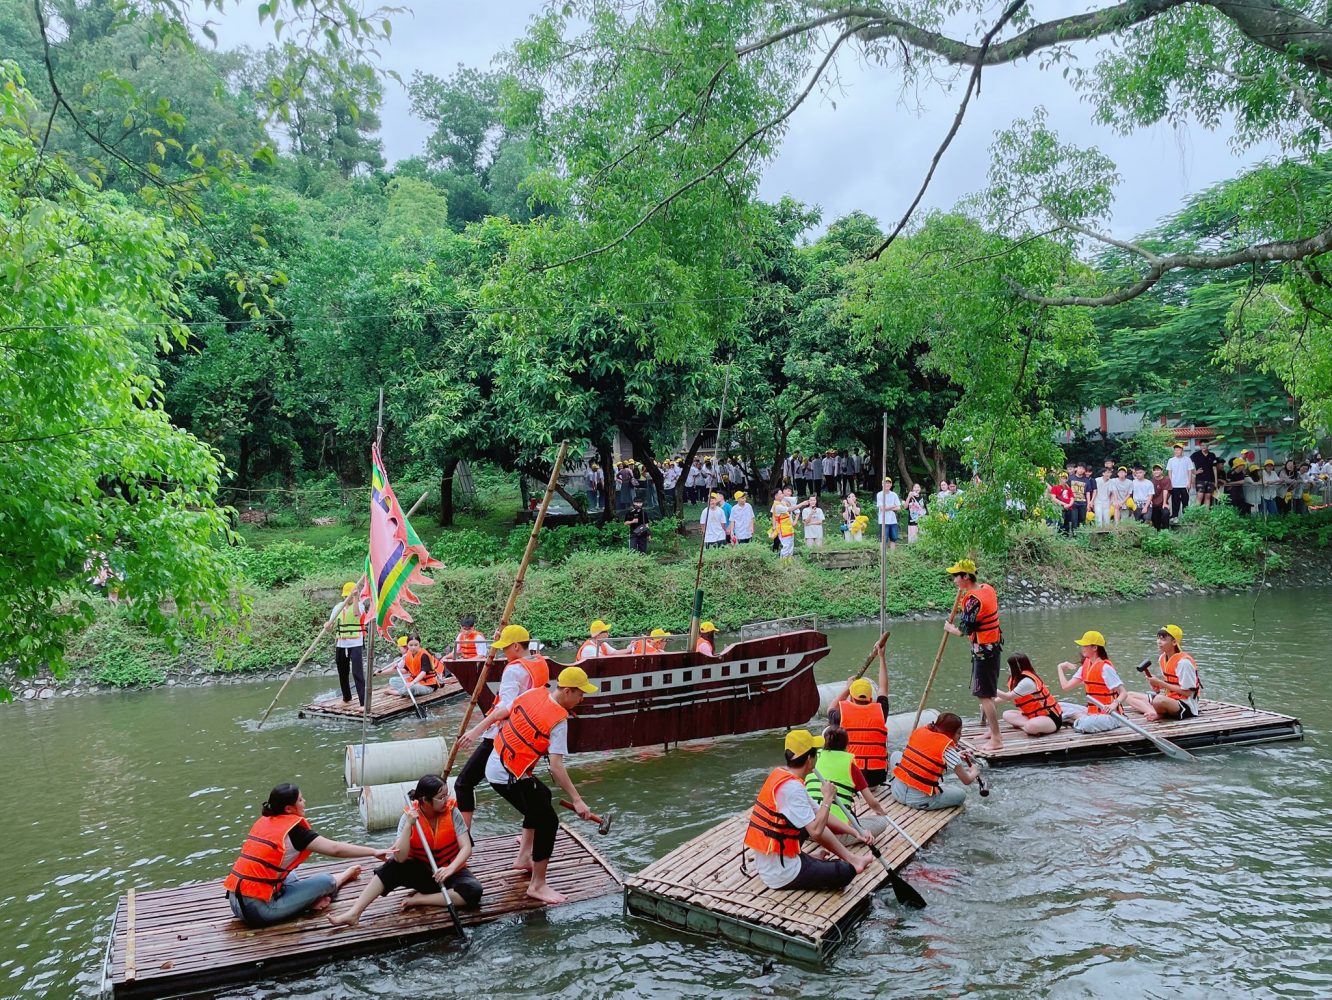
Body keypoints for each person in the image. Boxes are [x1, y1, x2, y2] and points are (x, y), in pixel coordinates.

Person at [486, 666, 599, 904]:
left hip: (498, 760)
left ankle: (523, 857)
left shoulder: (533, 693)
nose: (582, 699)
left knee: (542, 796)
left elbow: (506, 713)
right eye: (580, 694)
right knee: (548, 821)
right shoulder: (559, 720)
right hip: (507, 772)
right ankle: (537, 885)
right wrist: (577, 800)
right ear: (567, 691)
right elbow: (556, 767)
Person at [223, 783, 390, 929]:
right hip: (258, 912)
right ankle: (339, 879)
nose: (304, 802)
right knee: (326, 881)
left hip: (235, 901)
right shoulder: (296, 832)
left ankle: (307, 900)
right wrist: (374, 852)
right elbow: (335, 849)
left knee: (292, 874)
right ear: (289, 809)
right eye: (301, 800)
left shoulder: (265, 821)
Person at [328, 774, 482, 928]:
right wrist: (409, 826)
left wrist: (450, 869)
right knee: (391, 866)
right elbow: (400, 857)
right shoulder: (407, 818)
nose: (446, 800)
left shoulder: (453, 812)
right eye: (441, 797)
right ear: (425, 801)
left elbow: (466, 848)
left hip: (451, 872)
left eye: (446, 795)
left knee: (474, 891)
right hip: (424, 872)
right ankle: (354, 913)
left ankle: (420, 899)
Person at [742, 729, 872, 890]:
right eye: (816, 753)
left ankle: (846, 858)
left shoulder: (784, 776)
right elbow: (816, 831)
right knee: (845, 872)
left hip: (778, 861)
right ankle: (847, 862)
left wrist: (855, 832)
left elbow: (821, 814)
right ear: (810, 759)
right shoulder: (792, 789)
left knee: (813, 818)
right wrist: (828, 799)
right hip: (781, 874)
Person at [455, 624, 550, 829]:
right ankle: (533, 830)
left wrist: (476, 730)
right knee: (524, 783)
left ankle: (463, 838)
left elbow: (507, 706)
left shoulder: (514, 670)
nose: (503, 651)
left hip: (502, 734)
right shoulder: (539, 661)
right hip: (526, 735)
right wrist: (502, 636)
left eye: (505, 647)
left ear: (516, 646)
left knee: (463, 783)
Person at [943, 558, 1004, 751]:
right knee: (989, 693)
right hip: (993, 646)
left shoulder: (972, 600)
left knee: (984, 695)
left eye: (956, 576)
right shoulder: (987, 588)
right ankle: (992, 731)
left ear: (966, 577)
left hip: (984, 651)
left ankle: (996, 738)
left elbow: (964, 630)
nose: (954, 580)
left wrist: (950, 628)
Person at [805, 725, 892, 844]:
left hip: (808, 828)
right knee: (881, 822)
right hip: (834, 834)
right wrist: (881, 812)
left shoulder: (813, 758)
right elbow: (872, 802)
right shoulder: (850, 766)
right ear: (847, 746)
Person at [827, 643, 891, 786]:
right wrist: (882, 657)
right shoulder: (880, 711)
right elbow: (883, 688)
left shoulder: (841, 715)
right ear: (870, 698)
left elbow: (830, 708)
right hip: (877, 777)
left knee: (829, 733)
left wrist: (847, 688)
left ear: (852, 697)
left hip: (852, 776)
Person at [890, 713, 981, 811]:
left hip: (897, 791)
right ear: (950, 733)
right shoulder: (948, 750)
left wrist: (957, 756)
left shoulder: (920, 731)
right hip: (918, 801)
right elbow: (966, 780)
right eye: (958, 732)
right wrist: (974, 771)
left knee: (896, 754)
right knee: (961, 795)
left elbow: (926, 755)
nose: (960, 736)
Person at [1125, 624, 1203, 721]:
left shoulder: (1184, 663)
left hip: (1185, 705)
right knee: (1128, 695)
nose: (1159, 642)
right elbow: (1169, 684)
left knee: (1158, 700)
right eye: (1158, 638)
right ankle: (1153, 712)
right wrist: (1157, 685)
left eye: (1163, 639)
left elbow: (1188, 693)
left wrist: (1161, 683)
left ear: (1174, 642)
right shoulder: (1162, 658)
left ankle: (1156, 712)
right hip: (1170, 698)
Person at [1056, 630, 1126, 734]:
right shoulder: (1086, 665)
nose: (1082, 648)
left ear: (1095, 648)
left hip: (1111, 716)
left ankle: (1075, 719)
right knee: (1057, 706)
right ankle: (1076, 718)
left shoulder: (1105, 668)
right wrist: (1060, 667)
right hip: (1092, 712)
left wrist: (1113, 705)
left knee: (1086, 724)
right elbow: (1066, 687)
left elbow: (1124, 693)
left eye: (1085, 645)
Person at [993, 653, 1063, 736]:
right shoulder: (1018, 678)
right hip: (1033, 716)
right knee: (1007, 714)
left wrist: (991, 687)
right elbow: (1011, 694)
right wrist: (994, 702)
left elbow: (1008, 697)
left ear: (1016, 667)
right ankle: (1028, 727)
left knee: (1031, 726)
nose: (1008, 669)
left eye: (1009, 667)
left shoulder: (1027, 682)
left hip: (1050, 718)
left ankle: (1029, 727)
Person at [327, 582, 367, 705]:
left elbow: (356, 614)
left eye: (348, 596)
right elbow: (330, 625)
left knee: (357, 673)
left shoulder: (360, 605)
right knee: (342, 672)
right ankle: (346, 697)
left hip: (355, 643)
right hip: (341, 644)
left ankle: (363, 702)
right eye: (345, 596)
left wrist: (355, 597)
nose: (346, 598)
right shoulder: (338, 607)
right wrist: (327, 625)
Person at [1191, 439, 1223, 508]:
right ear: (1200, 446)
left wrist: (1216, 481)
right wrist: (1194, 472)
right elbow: (1188, 465)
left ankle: (1206, 515)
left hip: (1210, 479)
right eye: (1202, 445)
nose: (1204, 447)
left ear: (1208, 445)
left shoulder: (1212, 455)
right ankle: (1196, 515)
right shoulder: (1196, 455)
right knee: (1199, 497)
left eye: (1206, 445)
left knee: (1208, 497)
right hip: (1200, 479)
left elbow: (1214, 468)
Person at [1166, 442, 1193, 518]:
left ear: (1182, 450)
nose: (1176, 451)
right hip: (1174, 485)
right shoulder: (1171, 460)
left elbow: (1189, 471)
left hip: (1185, 484)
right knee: (1175, 502)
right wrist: (1170, 482)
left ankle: (1186, 516)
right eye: (1175, 450)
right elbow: (1169, 472)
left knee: (1185, 501)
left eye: (1178, 450)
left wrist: (1189, 482)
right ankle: (1175, 516)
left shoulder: (1187, 460)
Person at [875, 477, 902, 551]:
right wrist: (893, 506)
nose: (887, 484)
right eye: (885, 483)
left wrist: (887, 508)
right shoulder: (879, 494)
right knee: (883, 539)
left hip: (893, 520)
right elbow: (882, 508)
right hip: (883, 520)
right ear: (882, 484)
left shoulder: (894, 494)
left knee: (893, 538)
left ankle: (892, 556)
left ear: (891, 484)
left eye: (889, 483)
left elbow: (899, 507)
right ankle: (882, 555)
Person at [771, 490, 798, 559]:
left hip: (788, 527)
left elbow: (790, 510)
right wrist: (774, 526)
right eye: (781, 493)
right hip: (783, 528)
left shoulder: (782, 502)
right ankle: (783, 563)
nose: (783, 495)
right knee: (786, 546)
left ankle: (789, 562)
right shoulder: (777, 505)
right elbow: (774, 515)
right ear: (776, 496)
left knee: (790, 545)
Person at [1069, 462, 1094, 529]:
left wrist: (1088, 504)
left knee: (1082, 520)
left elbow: (1088, 492)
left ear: (1084, 471)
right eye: (1079, 468)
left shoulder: (1086, 480)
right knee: (1074, 520)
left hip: (1083, 503)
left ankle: (1081, 535)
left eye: (1083, 469)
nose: (1081, 470)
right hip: (1073, 502)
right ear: (1076, 468)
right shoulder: (1070, 478)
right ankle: (1074, 535)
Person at [1150, 464, 1170, 529]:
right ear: (1153, 472)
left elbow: (1165, 491)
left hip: (1162, 504)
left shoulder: (1166, 479)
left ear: (1161, 471)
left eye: (1158, 470)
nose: (1156, 472)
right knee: (1155, 519)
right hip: (1153, 505)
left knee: (1166, 513)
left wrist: (1164, 503)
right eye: (1154, 470)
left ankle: (1166, 531)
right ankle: (1158, 532)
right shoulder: (1151, 481)